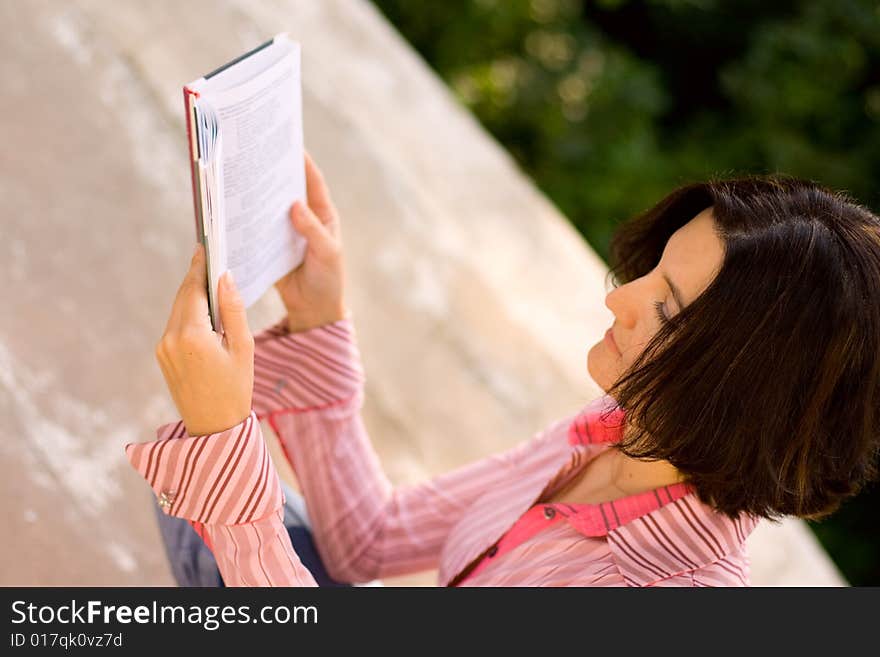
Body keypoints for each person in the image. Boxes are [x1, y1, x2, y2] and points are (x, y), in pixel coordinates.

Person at [125, 154, 880, 586]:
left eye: (669, 308)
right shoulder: (615, 434)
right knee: (200, 488)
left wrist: (227, 441)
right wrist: (322, 316)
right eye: (653, 270)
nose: (619, 296)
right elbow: (371, 539)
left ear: (745, 388)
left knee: (220, 478)